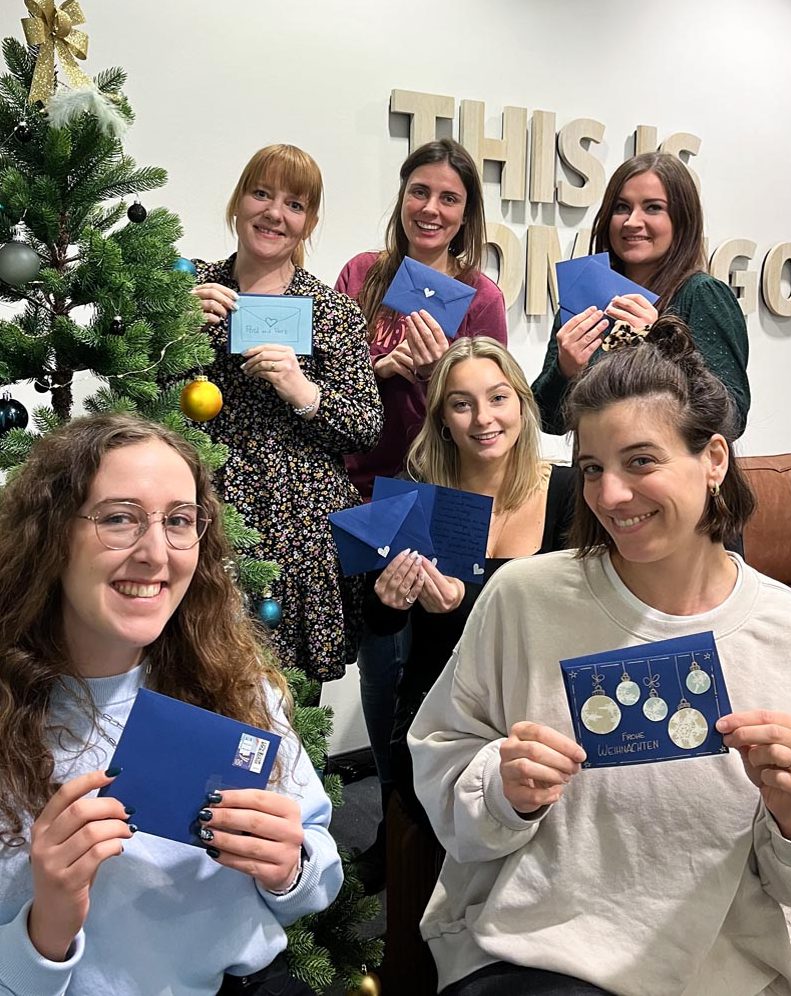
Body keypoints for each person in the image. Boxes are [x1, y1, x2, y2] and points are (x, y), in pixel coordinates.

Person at [409, 317, 791, 996]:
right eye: (592, 469)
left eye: (640, 461)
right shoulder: (525, 598)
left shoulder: (783, 633)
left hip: (726, 966)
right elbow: (443, 756)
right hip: (541, 952)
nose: (610, 496)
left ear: (712, 459)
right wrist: (505, 791)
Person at [0, 414, 343, 996]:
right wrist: (47, 924)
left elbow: (313, 866)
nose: (156, 553)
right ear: (52, 535)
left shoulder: (235, 683)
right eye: (118, 519)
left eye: (180, 521)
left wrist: (291, 867)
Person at [335, 140, 507, 876]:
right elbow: (328, 388)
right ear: (400, 197)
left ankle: (431, 816)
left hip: (441, 497)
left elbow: (490, 410)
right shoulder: (359, 278)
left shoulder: (483, 297)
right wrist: (378, 368)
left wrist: (440, 373)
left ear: (466, 214)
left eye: (448, 198)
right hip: (368, 492)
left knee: (432, 661)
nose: (430, 209)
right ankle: (389, 822)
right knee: (380, 655)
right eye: (418, 191)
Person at [191, 144, 383, 683]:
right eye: (262, 194)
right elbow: (140, 391)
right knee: (197, 681)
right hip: (206, 513)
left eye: (294, 205)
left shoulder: (330, 310)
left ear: (308, 223)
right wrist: (176, 329)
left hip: (297, 531)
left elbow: (366, 426)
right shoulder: (194, 290)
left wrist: (303, 390)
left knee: (294, 707)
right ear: (238, 203)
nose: (275, 213)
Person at [366, 336, 574, 831]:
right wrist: (389, 601)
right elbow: (377, 623)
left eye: (498, 398)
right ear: (442, 419)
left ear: (523, 406)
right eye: (462, 405)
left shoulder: (570, 492)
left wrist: (466, 601)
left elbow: (573, 615)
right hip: (440, 709)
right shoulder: (416, 493)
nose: (483, 420)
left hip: (537, 707)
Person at [531, 151, 750, 438]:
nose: (632, 221)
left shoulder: (701, 294)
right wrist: (565, 370)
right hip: (597, 474)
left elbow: (730, 418)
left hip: (670, 478)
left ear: (681, 220)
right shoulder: (586, 296)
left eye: (653, 208)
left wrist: (661, 343)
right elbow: (547, 421)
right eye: (622, 207)